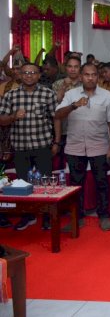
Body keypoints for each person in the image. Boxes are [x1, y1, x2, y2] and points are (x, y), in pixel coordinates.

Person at [55, 63, 110, 232]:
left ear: (98, 76)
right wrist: (74, 105)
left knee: (102, 183)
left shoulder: (107, 95)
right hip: (75, 146)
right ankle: (77, 217)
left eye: (94, 74)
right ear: (81, 77)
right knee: (76, 185)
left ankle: (103, 215)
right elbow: (58, 115)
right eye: (87, 74)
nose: (90, 78)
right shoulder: (70, 94)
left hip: (100, 146)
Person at [0, 63, 59, 231]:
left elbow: (56, 119)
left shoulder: (48, 94)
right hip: (20, 147)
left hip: (42, 146)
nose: (28, 76)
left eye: (32, 73)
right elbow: (1, 119)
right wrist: (13, 116)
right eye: (25, 73)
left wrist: (56, 142)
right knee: (23, 185)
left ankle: (48, 217)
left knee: (46, 184)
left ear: (39, 75)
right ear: (20, 75)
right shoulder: (11, 95)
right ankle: (28, 216)